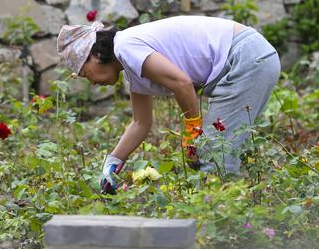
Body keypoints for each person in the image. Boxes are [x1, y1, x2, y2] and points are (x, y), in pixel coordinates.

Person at [56, 15, 280, 193]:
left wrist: (193, 135)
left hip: (245, 59)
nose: (93, 83)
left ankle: (219, 238)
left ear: (94, 55)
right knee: (220, 154)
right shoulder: (130, 64)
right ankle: (228, 222)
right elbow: (140, 123)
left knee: (214, 159)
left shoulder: (125, 46)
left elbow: (182, 84)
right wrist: (112, 163)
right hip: (252, 58)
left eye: (86, 75)